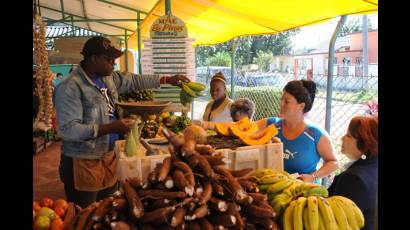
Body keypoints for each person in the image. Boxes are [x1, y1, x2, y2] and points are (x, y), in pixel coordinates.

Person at [54, 36, 190, 208]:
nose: (113, 63)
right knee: (85, 214)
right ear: (93, 58)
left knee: (108, 211)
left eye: (114, 59)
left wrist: (166, 80)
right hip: (83, 163)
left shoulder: (107, 78)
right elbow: (69, 130)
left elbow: (133, 81)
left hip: (109, 158)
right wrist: (111, 128)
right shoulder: (70, 88)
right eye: (108, 59)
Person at [204, 80, 338, 183]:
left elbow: (333, 162)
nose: (281, 104)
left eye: (287, 101)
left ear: (301, 106)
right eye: (281, 99)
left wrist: (313, 177)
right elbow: (239, 127)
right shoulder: (272, 124)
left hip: (304, 190)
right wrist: (206, 125)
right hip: (275, 185)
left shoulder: (315, 134)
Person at [328, 115, 378, 230]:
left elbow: (334, 222)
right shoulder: (372, 166)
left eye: (348, 136)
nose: (342, 138)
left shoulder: (354, 179)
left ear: (364, 144)